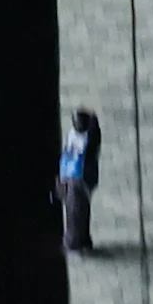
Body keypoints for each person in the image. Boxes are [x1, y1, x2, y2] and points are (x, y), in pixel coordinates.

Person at [56, 108, 102, 255]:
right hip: (71, 177)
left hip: (78, 178)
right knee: (78, 211)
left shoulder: (89, 138)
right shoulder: (73, 135)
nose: (76, 124)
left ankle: (74, 243)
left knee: (75, 211)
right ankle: (82, 241)